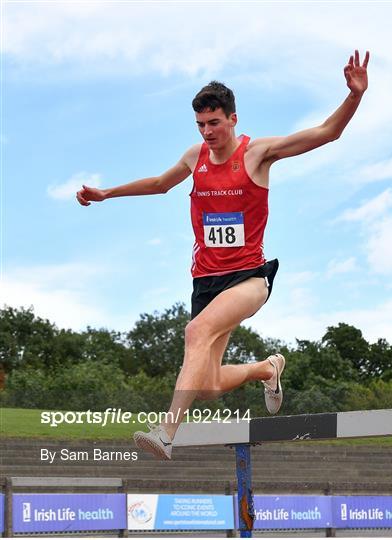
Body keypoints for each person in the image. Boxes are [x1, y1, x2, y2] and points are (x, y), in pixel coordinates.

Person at [76, 50, 370, 460]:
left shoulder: (258, 154)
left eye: (214, 123)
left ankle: (165, 433)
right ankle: (267, 368)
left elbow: (326, 132)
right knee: (210, 385)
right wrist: (107, 193)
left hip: (249, 278)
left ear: (233, 118)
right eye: (200, 125)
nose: (207, 132)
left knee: (195, 333)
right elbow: (161, 183)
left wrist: (354, 96)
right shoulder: (195, 158)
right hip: (205, 281)